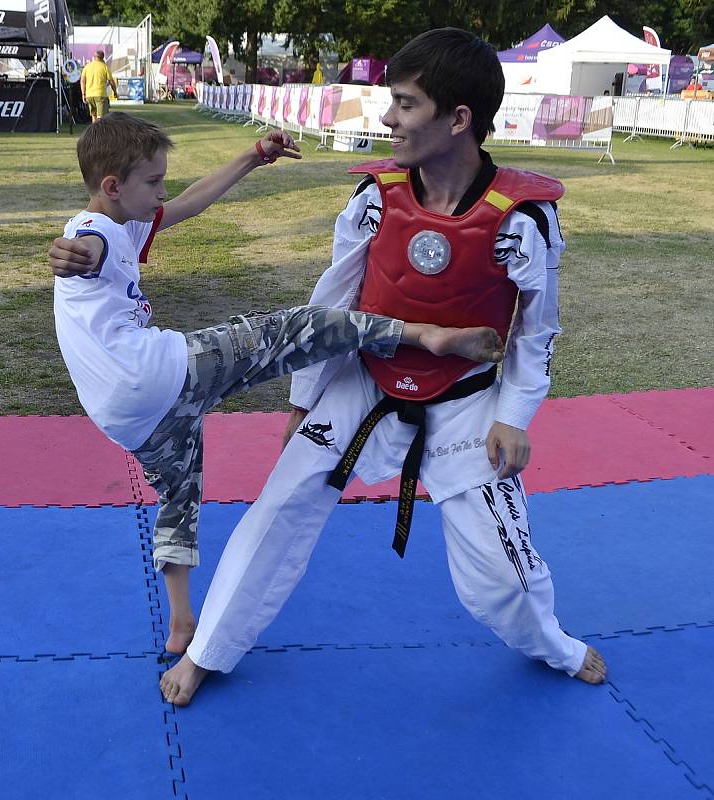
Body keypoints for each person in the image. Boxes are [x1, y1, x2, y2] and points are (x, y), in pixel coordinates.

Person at [157, 27, 607, 707]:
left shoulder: (522, 219)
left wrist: (514, 417)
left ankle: (553, 646)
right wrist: (303, 402)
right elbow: (329, 305)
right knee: (278, 506)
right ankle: (208, 650)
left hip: (466, 399)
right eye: (389, 101)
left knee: (501, 578)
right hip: (362, 380)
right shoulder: (373, 199)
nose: (387, 119)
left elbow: (536, 331)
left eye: (404, 104)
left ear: (457, 119)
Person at [48, 110, 506, 655]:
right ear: (111, 186)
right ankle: (420, 334)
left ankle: (180, 623)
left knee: (178, 497)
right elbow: (85, 250)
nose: (162, 192)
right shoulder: (94, 231)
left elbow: (191, 203)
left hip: (122, 416)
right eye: (153, 182)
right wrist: (74, 256)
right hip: (155, 373)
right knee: (291, 329)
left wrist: (252, 156)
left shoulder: (123, 218)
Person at [81, 50, 117, 123]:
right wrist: (115, 92)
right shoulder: (104, 67)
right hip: (100, 95)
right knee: (101, 118)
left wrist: (83, 94)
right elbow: (111, 82)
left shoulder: (87, 67)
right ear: (103, 58)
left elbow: (82, 81)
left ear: (94, 57)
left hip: (89, 95)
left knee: (94, 117)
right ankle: (101, 133)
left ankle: (94, 133)